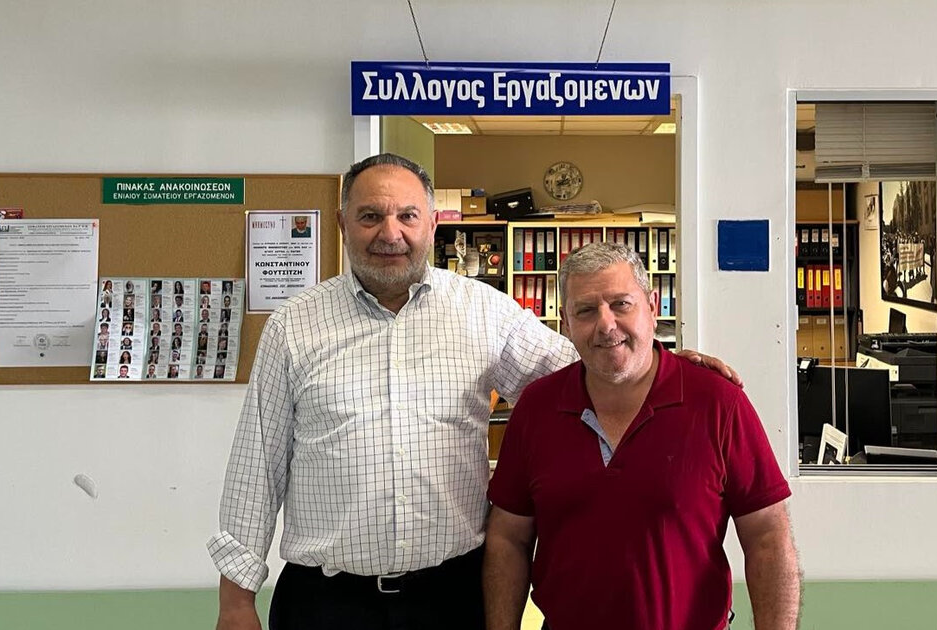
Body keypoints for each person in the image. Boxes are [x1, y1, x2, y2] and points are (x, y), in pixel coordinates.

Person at [209, 154, 739, 630]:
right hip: (326, 603)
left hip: (451, 597)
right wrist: (235, 603)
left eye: (407, 216)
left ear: (432, 224)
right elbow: (257, 467)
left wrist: (666, 367)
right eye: (370, 216)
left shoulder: (483, 311)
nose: (390, 233)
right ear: (343, 222)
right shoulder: (293, 327)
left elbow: (585, 371)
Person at [484, 242, 799, 630]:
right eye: (586, 310)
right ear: (565, 323)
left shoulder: (718, 403)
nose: (606, 325)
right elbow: (508, 537)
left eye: (621, 304)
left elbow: (768, 535)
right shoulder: (537, 408)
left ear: (652, 307)